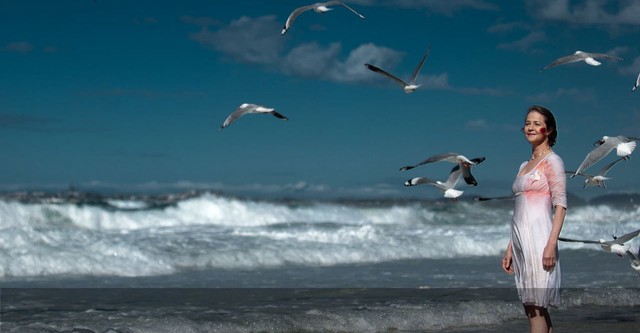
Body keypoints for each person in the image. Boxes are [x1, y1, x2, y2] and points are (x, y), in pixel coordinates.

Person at [502, 105, 567, 333]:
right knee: (533, 306)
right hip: (520, 240)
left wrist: (550, 246)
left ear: (547, 130)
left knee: (535, 307)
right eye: (528, 123)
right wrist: (510, 248)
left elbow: (560, 206)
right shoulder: (523, 165)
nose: (530, 127)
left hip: (539, 240)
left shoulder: (553, 161)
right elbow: (519, 210)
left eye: (537, 123)